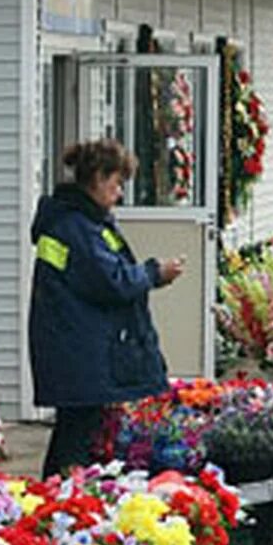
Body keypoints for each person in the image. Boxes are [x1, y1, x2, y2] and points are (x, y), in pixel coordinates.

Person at [29, 139, 185, 479]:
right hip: (78, 350)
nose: (118, 194)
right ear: (98, 178)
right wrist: (154, 273)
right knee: (76, 438)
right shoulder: (76, 228)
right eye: (116, 184)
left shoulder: (82, 222)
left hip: (76, 346)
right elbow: (111, 281)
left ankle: (59, 499)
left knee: (75, 430)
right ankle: (62, 502)